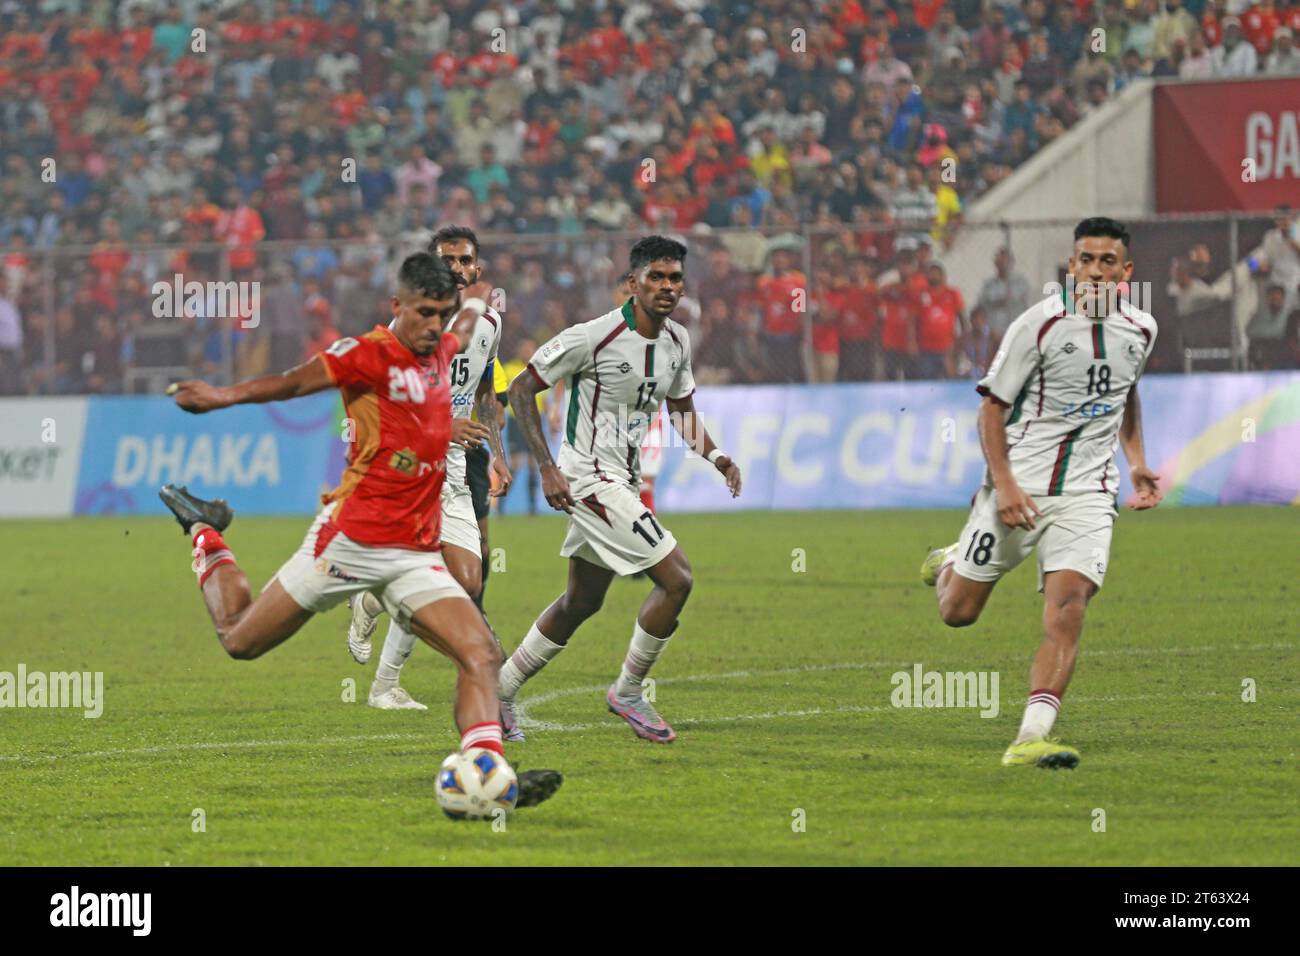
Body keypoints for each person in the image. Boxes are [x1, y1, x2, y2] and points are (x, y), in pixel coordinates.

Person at [159, 253, 559, 806]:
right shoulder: (365, 354)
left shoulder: (444, 345)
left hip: (414, 552)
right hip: (350, 540)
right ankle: (206, 532)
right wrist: (220, 396)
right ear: (397, 306)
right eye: (422, 312)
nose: (432, 326)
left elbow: (465, 326)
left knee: (481, 653)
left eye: (440, 315)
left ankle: (486, 776)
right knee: (240, 640)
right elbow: (291, 383)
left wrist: (470, 298)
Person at [920, 218, 1162, 769]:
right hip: (1021, 487)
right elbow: (991, 407)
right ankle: (952, 561)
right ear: (1071, 267)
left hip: (1089, 493)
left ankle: (1030, 736)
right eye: (1085, 260)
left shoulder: (1142, 329)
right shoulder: (1040, 325)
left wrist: (1138, 460)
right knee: (958, 613)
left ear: (1126, 272)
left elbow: (1126, 394)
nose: (1095, 271)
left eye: (1107, 262)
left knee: (1069, 606)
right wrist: (1002, 484)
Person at [498, 236, 742, 744]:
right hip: (587, 477)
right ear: (633, 284)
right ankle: (628, 692)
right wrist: (547, 467)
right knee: (677, 579)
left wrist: (716, 456)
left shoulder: (677, 341)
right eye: (656, 277)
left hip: (622, 480)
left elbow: (682, 412)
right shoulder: (593, 336)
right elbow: (521, 388)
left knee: (580, 602)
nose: (667, 287)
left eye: (675, 278)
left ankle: (496, 693)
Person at [345, 227, 513, 712]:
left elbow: (483, 390)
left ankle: (371, 603)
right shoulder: (411, 324)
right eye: (448, 261)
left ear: (477, 271)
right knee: (428, 573)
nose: (458, 269)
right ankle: (385, 685)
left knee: (468, 580)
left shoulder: (490, 325)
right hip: (408, 463)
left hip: (456, 461)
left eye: (466, 261)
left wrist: (496, 452)